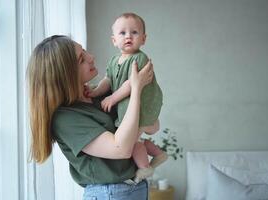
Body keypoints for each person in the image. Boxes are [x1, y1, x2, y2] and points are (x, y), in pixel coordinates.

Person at [27, 35, 155, 199]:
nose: (91, 57)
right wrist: (136, 89)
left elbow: (152, 125)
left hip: (135, 187)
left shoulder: (99, 95)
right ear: (66, 76)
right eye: (81, 59)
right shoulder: (65, 118)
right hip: (110, 193)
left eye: (85, 51)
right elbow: (121, 149)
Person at [87, 13, 167, 182]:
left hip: (140, 106)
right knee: (136, 138)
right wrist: (96, 92)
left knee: (132, 143)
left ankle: (145, 168)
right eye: (122, 33)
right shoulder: (114, 60)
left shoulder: (140, 58)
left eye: (134, 32)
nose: (128, 36)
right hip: (127, 106)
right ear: (114, 40)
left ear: (144, 39)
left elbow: (131, 84)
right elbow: (107, 80)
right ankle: (158, 153)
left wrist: (112, 99)